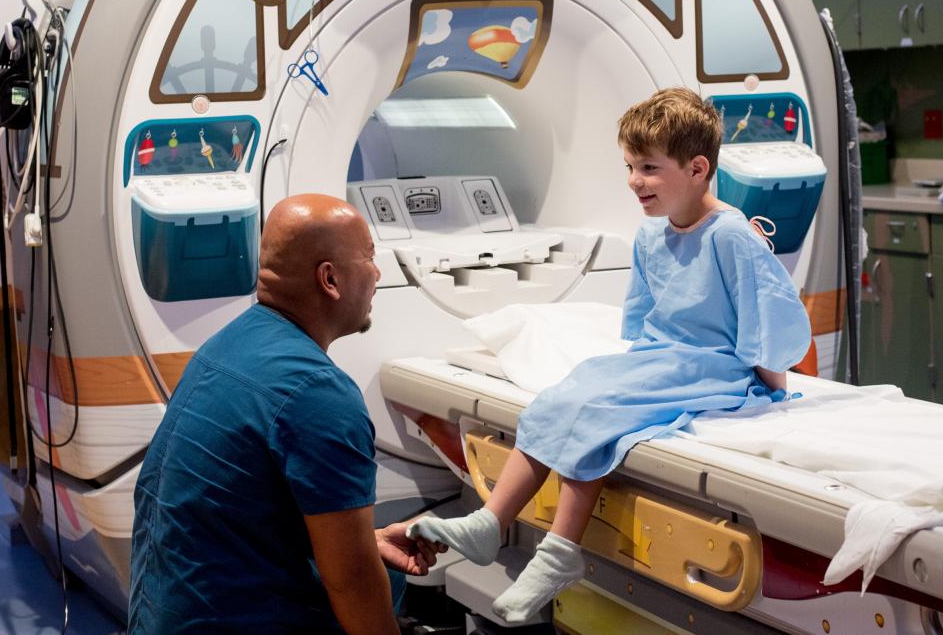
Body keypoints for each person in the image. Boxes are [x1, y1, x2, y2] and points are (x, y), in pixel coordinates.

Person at [409, 87, 811, 622]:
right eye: (628, 166)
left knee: (602, 411)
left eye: (648, 167)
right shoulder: (649, 238)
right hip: (661, 358)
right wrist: (630, 367)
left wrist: (773, 394)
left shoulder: (732, 235)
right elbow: (643, 321)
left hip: (715, 365)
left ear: (696, 168)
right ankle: (490, 522)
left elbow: (767, 317)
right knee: (565, 395)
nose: (633, 182)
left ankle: (558, 554)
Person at [129, 194, 442, 634]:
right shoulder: (320, 396)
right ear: (329, 279)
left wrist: (365, 541)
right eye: (369, 257)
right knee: (375, 587)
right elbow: (350, 582)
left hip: (164, 612)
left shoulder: (226, 346)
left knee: (381, 568)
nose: (377, 272)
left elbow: (235, 512)